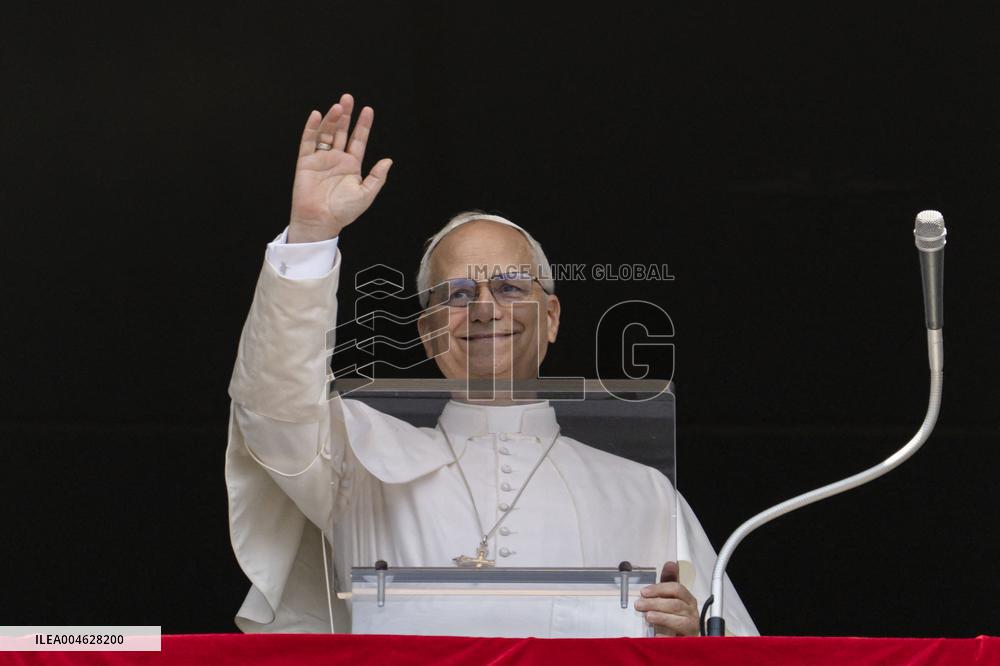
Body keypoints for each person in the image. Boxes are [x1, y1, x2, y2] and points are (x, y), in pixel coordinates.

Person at [225, 93, 757, 636]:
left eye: (509, 287)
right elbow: (273, 410)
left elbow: (745, 651)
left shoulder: (644, 494)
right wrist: (311, 235)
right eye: (457, 294)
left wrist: (695, 640)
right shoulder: (356, 464)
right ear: (426, 332)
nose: (484, 309)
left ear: (551, 317)